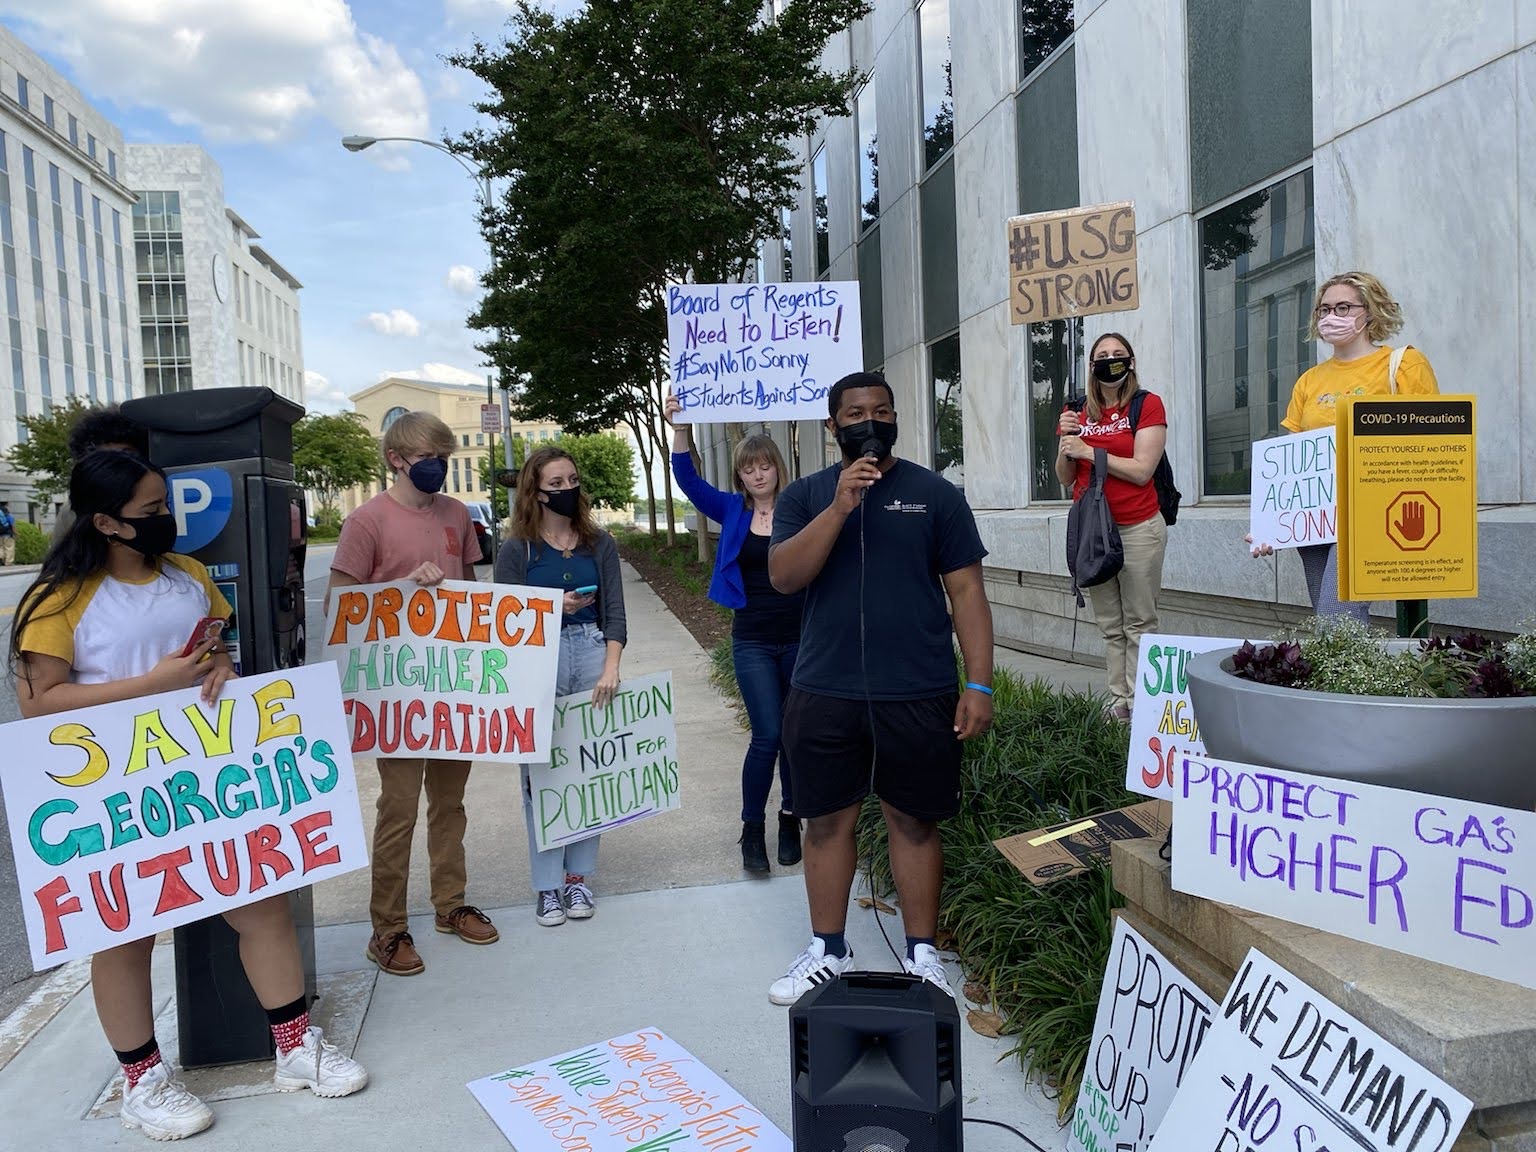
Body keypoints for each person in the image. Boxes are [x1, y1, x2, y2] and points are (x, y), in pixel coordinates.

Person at [11, 451, 366, 1141]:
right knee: (125, 934)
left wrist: (221, 662)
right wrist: (154, 687)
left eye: (164, 504)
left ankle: (295, 1047)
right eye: (150, 512)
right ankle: (142, 1080)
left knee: (261, 902)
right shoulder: (59, 600)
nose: (167, 520)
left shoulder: (190, 577)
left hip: (205, 784)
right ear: (106, 522)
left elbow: (216, 646)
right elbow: (39, 704)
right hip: (111, 794)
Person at [765, 372, 993, 1003]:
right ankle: (827, 950)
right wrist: (840, 506)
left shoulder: (935, 495)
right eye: (857, 412)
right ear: (832, 426)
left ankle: (924, 958)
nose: (872, 420)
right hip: (825, 687)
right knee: (826, 821)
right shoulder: (807, 495)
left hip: (916, 690)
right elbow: (784, 575)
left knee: (915, 822)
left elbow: (968, 591)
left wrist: (979, 682)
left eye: (884, 410)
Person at [328, 412, 499, 977]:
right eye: (429, 455)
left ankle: (451, 906)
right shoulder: (366, 521)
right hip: (395, 688)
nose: (439, 466)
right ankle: (389, 928)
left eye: (444, 455)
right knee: (398, 808)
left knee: (450, 803)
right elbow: (340, 605)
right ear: (397, 459)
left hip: (450, 683)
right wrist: (401, 589)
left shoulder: (457, 514)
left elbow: (471, 593)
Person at [1250, 271, 1440, 622]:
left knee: (1337, 619)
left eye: (1342, 307)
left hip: (1371, 510)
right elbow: (1295, 463)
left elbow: (1427, 443)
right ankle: (1353, 676)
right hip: (1316, 517)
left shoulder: (1403, 365)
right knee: (1329, 617)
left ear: (1369, 312)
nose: (1330, 317)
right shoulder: (1310, 380)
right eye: (1323, 310)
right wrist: (1269, 525)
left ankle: (1344, 677)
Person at [665, 393, 804, 873]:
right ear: (740, 475)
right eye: (749, 469)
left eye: (765, 465)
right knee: (767, 734)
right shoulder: (730, 510)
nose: (758, 474)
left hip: (802, 638)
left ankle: (790, 818)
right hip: (753, 640)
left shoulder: (800, 506)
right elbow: (686, 479)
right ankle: (751, 831)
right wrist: (679, 425)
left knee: (794, 735)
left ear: (777, 468)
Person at [495, 446, 627, 927]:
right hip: (538, 660)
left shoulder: (599, 542)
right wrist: (551, 609)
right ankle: (548, 886)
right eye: (556, 483)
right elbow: (502, 618)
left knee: (590, 771)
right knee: (542, 774)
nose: (567, 489)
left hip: (592, 651)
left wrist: (611, 665)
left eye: (572, 480)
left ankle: (578, 882)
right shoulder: (518, 550)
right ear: (536, 491)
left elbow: (615, 610)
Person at [1056, 333, 1168, 722]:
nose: (1110, 360)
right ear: (1091, 366)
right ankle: (1118, 700)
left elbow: (1141, 471)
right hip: (1094, 532)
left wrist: (1091, 451)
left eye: (1118, 355)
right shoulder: (1077, 411)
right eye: (1102, 356)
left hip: (1137, 527)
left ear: (1131, 362)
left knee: (1139, 620)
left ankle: (1142, 704)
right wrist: (1067, 442)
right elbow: (1066, 478)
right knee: (1110, 623)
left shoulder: (1146, 405)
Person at [52, 405, 150, 545]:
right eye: (105, 458)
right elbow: (60, 561)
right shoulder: (71, 512)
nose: (116, 464)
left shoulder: (167, 501)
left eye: (126, 455)